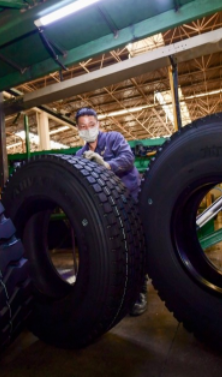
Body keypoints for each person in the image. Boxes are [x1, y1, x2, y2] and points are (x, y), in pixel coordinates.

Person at [74, 107, 148, 316]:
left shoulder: (114, 139)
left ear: (98, 124)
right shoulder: (81, 155)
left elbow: (127, 159)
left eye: (91, 125)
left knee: (135, 245)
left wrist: (106, 164)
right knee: (116, 248)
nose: (87, 129)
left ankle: (140, 291)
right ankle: (121, 291)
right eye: (83, 127)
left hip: (130, 199)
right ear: (78, 130)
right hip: (107, 208)